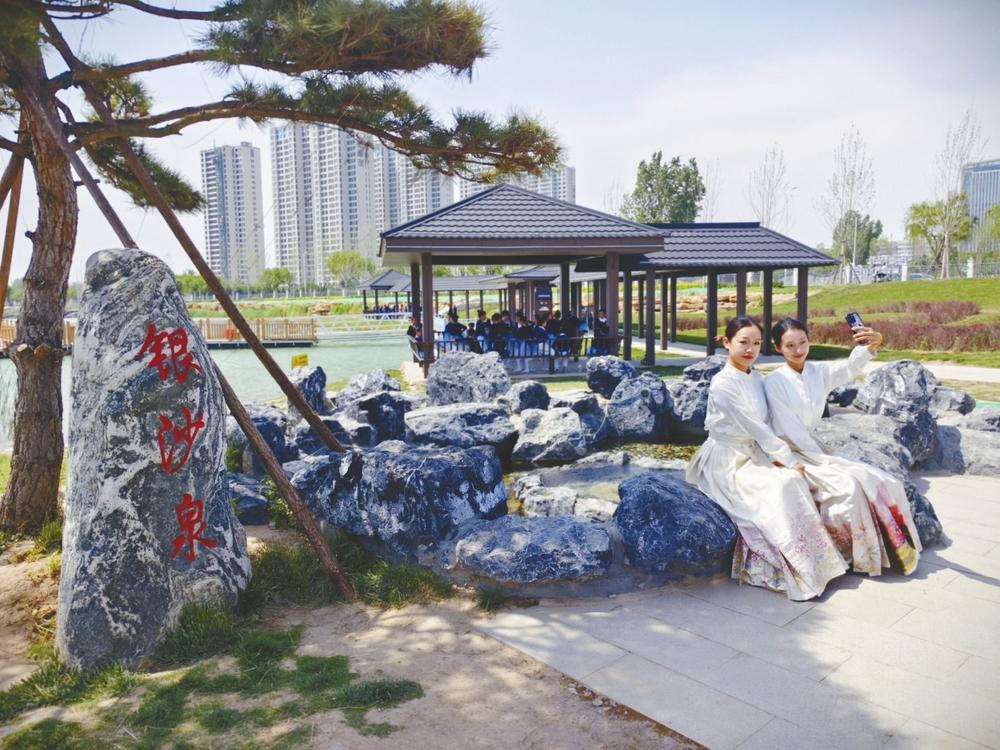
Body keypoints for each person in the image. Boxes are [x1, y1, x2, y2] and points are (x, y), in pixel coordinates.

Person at [686, 316, 850, 601]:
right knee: (783, 485)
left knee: (793, 482)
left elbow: (769, 422)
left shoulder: (757, 378)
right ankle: (787, 567)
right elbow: (755, 427)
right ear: (727, 343)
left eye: (756, 343)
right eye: (743, 342)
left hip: (755, 451)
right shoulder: (722, 384)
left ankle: (818, 564)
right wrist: (787, 459)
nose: (750, 349)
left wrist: (784, 456)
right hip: (727, 460)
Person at [763, 317, 920, 577]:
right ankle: (852, 555)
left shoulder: (817, 372)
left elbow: (849, 367)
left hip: (811, 448)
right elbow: (787, 428)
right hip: (788, 450)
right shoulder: (774, 381)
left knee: (877, 479)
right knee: (847, 486)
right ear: (778, 348)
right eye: (789, 345)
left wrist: (871, 345)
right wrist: (822, 459)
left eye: (802, 342)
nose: (798, 349)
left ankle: (893, 549)